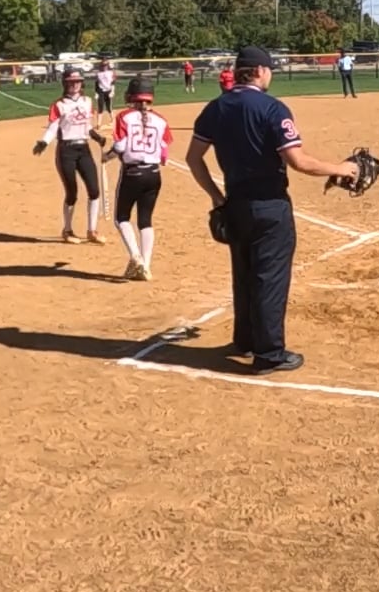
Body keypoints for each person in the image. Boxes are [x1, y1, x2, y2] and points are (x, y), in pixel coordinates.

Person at [184, 47, 360, 375]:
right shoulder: (271, 108)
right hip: (270, 205)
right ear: (260, 71)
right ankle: (269, 353)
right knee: (269, 278)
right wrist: (342, 168)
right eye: (270, 70)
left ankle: (245, 340)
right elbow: (298, 162)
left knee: (244, 274)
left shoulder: (216, 107)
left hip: (235, 203)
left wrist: (217, 198)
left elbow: (193, 158)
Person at [106, 76, 171, 281]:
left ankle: (136, 258)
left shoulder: (124, 117)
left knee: (121, 218)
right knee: (145, 220)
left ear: (130, 97)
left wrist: (107, 156)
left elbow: (120, 146)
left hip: (132, 173)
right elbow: (164, 154)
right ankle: (146, 265)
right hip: (154, 174)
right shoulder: (161, 120)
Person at [32, 67, 107, 245]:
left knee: (94, 190)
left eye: (77, 81)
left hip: (84, 149)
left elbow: (87, 125)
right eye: (71, 82)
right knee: (72, 192)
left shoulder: (87, 101)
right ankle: (67, 230)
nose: (75, 85)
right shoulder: (59, 105)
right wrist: (44, 142)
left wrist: (97, 137)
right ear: (65, 83)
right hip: (66, 151)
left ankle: (92, 230)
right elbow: (53, 127)